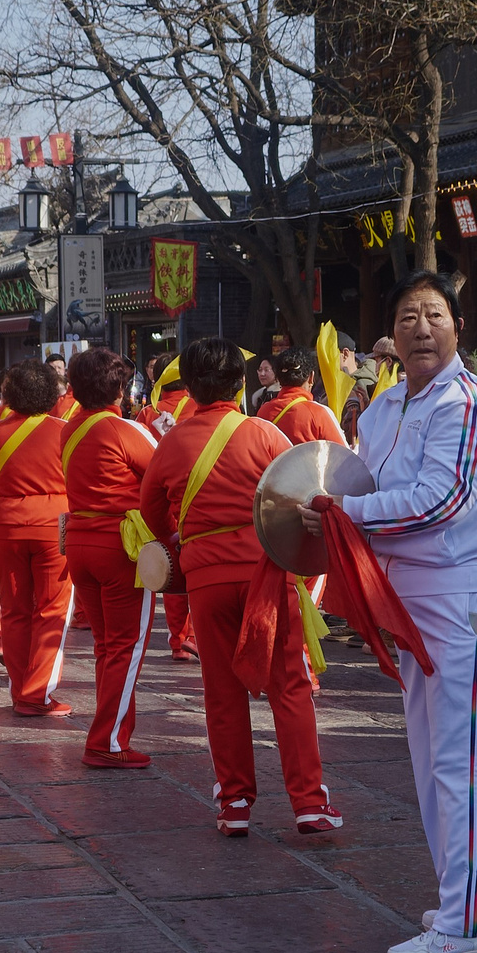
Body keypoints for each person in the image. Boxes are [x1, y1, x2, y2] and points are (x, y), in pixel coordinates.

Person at [302, 271, 477, 953]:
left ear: (459, 329)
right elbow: (365, 483)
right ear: (391, 336)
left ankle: (471, 927)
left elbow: (441, 501)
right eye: (408, 316)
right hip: (411, 596)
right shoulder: (385, 408)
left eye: (435, 314)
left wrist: (342, 513)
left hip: (465, 590)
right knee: (433, 759)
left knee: (465, 759)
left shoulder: (467, 401)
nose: (422, 327)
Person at [141, 338, 339, 837]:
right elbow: (300, 494)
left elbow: (151, 513)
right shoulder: (265, 435)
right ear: (242, 381)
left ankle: (234, 805)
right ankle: (309, 804)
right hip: (265, 573)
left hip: (204, 578)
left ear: (189, 384)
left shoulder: (173, 442)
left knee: (221, 692)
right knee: (289, 685)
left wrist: (184, 537)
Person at [61, 348, 160, 769]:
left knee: (108, 646)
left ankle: (115, 733)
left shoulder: (69, 429)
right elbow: (163, 474)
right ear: (119, 388)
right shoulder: (122, 430)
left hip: (81, 543)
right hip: (118, 545)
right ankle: (106, 741)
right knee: (126, 646)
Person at [0, 360, 74, 717]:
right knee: (52, 610)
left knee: (14, 611)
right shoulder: (64, 430)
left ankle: (20, 691)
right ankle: (36, 693)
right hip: (53, 526)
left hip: (6, 527)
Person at [258, 347, 348, 444]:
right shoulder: (319, 413)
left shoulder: (263, 412)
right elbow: (343, 455)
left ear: (279, 379)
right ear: (311, 377)